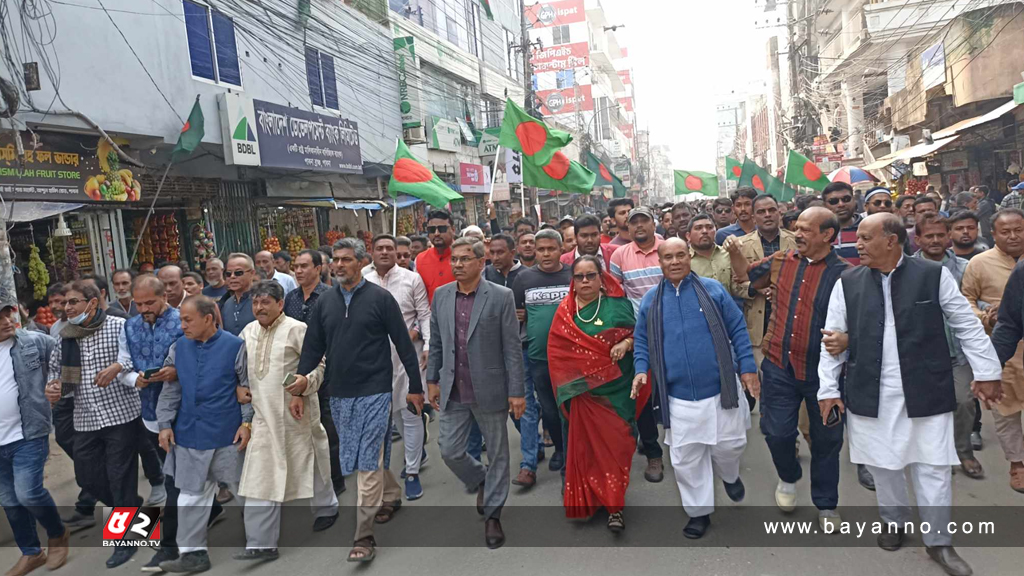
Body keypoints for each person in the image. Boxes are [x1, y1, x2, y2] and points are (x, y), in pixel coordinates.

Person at [818, 213, 1002, 576]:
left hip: (925, 386)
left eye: (866, 238)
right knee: (883, 465)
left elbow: (966, 324)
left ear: (891, 240)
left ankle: (939, 542)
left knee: (933, 467)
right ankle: (894, 521)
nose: (857, 244)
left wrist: (987, 372)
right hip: (870, 388)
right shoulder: (848, 282)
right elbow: (832, 339)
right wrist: (827, 389)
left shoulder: (932, 275)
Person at [297, 238, 423, 564]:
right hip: (340, 393)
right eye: (335, 259)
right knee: (360, 455)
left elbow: (403, 345)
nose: (339, 265)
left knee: (366, 461)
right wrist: (299, 383)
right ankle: (391, 493)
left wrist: (415, 386)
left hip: (376, 390)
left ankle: (363, 535)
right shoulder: (326, 302)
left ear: (361, 262)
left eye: (346, 259)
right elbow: (313, 347)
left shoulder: (380, 299)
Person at [633, 238, 758, 539]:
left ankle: (729, 475)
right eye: (668, 257)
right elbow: (641, 341)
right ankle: (699, 513)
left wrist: (748, 368)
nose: (675, 262)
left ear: (688, 257)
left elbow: (738, 328)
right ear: (660, 262)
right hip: (678, 397)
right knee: (686, 460)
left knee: (730, 446)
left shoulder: (713, 291)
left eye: (680, 255)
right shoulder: (651, 300)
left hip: (720, 390)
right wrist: (640, 371)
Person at [746, 207, 848, 529]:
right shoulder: (781, 261)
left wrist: (848, 339)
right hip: (779, 365)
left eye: (806, 230)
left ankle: (826, 505)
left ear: (827, 235)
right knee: (776, 432)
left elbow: (865, 319)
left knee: (826, 441)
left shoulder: (846, 275)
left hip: (825, 375)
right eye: (796, 228)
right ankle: (788, 476)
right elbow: (749, 275)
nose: (797, 234)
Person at [427, 237, 524, 549]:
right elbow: (437, 341)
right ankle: (480, 479)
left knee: (497, 452)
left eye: (465, 259)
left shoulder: (500, 296)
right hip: (453, 388)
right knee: (449, 450)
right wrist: (432, 380)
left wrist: (517, 391)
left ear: (481, 262)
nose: (457, 264)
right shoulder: (442, 295)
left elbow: (512, 348)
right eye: (454, 259)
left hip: (490, 387)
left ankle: (493, 515)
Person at [234, 281, 336, 561]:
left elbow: (319, 365)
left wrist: (303, 386)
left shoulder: (297, 329)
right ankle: (261, 543)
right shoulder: (247, 332)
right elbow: (239, 370)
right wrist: (239, 388)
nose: (259, 308)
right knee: (261, 475)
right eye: (255, 303)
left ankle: (327, 507)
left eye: (265, 302)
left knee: (310, 461)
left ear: (280, 304)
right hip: (262, 416)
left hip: (296, 413)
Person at [44, 280, 142, 569]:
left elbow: (134, 358)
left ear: (93, 303)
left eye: (73, 301)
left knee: (120, 478)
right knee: (88, 477)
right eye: (65, 302)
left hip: (121, 414)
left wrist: (118, 367)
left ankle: (125, 541)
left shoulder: (118, 326)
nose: (67, 307)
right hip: (85, 418)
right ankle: (131, 510)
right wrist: (53, 387)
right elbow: (54, 371)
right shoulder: (65, 336)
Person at [155, 296, 252, 574]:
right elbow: (171, 390)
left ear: (208, 318)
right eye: (181, 320)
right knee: (190, 496)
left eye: (188, 320)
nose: (182, 325)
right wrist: (165, 424)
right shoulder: (178, 348)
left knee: (245, 490)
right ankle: (192, 554)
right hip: (189, 433)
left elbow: (246, 388)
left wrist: (246, 424)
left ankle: (261, 541)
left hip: (228, 433)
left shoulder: (235, 346)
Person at [547, 255, 640, 530]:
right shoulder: (565, 312)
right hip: (583, 394)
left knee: (615, 449)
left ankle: (615, 506)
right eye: (579, 276)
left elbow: (639, 334)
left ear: (602, 278)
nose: (585, 281)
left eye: (591, 275)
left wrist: (626, 343)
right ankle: (589, 499)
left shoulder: (618, 306)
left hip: (616, 393)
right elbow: (557, 353)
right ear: (573, 281)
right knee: (586, 450)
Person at [119, 275, 192, 570]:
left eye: (149, 302)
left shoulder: (183, 320)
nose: (144, 309)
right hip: (150, 415)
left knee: (173, 481)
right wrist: (133, 379)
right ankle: (211, 510)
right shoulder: (130, 326)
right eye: (138, 304)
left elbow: (202, 357)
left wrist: (177, 372)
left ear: (164, 297)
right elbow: (124, 363)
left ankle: (169, 546)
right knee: (175, 475)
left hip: (185, 412)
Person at [0, 304, 69, 576]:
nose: (6, 321)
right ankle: (32, 553)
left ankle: (57, 533)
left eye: (7, 314)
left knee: (28, 493)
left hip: (28, 433)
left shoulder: (34, 341)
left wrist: (59, 385)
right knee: (10, 500)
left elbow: (65, 359)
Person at [913, 214, 982, 479]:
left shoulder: (965, 268)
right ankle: (936, 455)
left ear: (949, 236)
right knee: (928, 407)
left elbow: (977, 299)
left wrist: (986, 310)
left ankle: (963, 452)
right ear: (918, 239)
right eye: (929, 236)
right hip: (921, 353)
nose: (935, 240)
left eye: (940, 235)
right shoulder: (907, 270)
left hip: (958, 352)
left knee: (964, 401)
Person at [961, 208, 1024, 492]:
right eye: (1006, 231)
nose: (1013, 236)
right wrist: (986, 318)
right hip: (1002, 346)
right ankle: (1017, 464)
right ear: (993, 235)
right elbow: (966, 301)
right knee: (1006, 412)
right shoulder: (979, 263)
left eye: (1019, 230)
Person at [364, 235, 431, 500]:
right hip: (374, 358)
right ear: (371, 252)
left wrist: (427, 346)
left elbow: (424, 314)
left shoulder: (411, 279)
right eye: (379, 248)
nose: (384, 252)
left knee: (410, 411)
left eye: (389, 248)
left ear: (396, 252)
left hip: (407, 354)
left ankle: (412, 472)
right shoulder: (363, 280)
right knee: (393, 414)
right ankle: (416, 453)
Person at [609, 206, 666, 482]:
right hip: (638, 335)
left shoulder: (667, 248)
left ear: (654, 225)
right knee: (641, 394)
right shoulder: (620, 255)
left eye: (645, 221)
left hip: (671, 332)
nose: (639, 226)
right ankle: (654, 454)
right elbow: (616, 296)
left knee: (671, 394)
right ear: (628, 228)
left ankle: (686, 448)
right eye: (634, 222)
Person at [282, 250, 344, 495]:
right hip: (301, 372)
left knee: (329, 427)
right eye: (296, 266)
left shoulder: (332, 296)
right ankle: (309, 478)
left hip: (329, 370)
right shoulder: (290, 298)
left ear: (318, 268)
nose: (298, 271)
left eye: (304, 266)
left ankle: (335, 480)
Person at [512, 230, 571, 475]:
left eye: (551, 249)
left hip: (571, 357)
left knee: (571, 409)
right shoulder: (523, 279)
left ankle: (574, 453)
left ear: (561, 250)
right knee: (549, 409)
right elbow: (516, 315)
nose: (546, 254)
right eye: (541, 249)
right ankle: (560, 449)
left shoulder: (572, 275)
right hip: (538, 357)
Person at [687, 214, 749, 301]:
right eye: (698, 228)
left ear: (715, 231)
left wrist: (755, 288)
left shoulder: (728, 254)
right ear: (688, 236)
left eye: (709, 227)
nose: (705, 231)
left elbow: (737, 286)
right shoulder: (685, 261)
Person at [416, 210, 457, 303]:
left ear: (453, 230)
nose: (436, 233)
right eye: (432, 230)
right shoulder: (420, 259)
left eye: (442, 229)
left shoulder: (465, 257)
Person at [822, 181, 862, 265]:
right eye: (833, 201)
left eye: (846, 199)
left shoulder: (868, 229)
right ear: (824, 205)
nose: (841, 204)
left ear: (854, 200)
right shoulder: (818, 233)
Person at [220, 254, 257, 336]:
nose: (232, 277)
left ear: (252, 273)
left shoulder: (261, 300)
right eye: (228, 274)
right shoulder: (227, 303)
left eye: (238, 273)